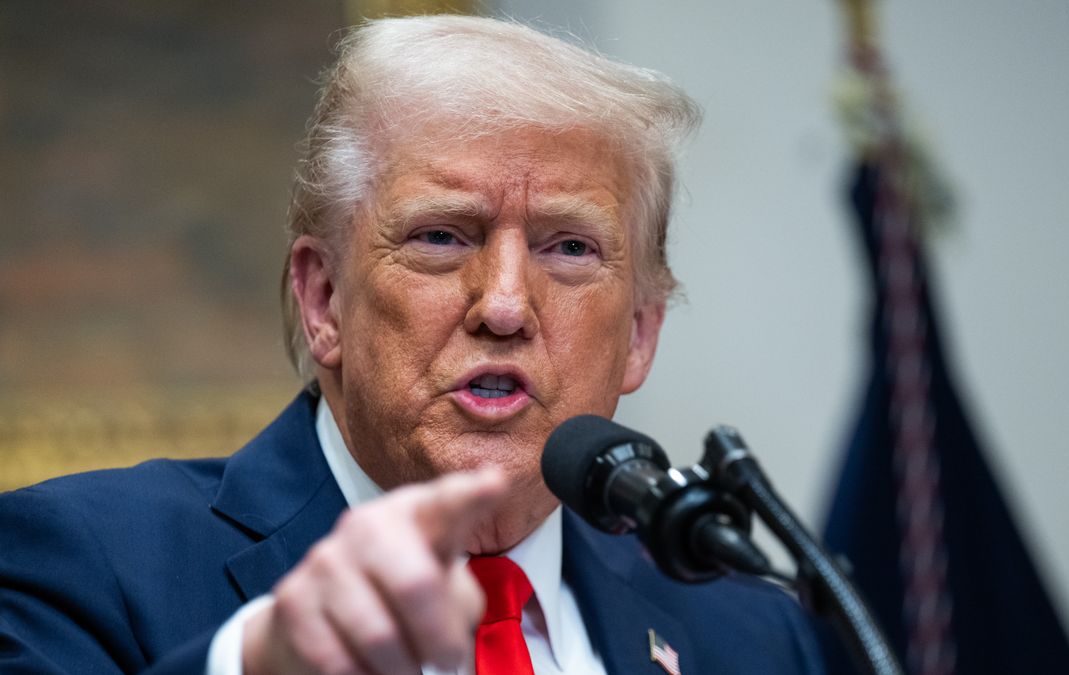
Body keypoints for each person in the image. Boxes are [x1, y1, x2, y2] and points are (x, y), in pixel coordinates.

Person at [0, 15, 824, 674]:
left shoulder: (752, 634)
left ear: (641, 333)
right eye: (440, 235)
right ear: (323, 298)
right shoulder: (79, 562)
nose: (504, 305)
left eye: (569, 248)